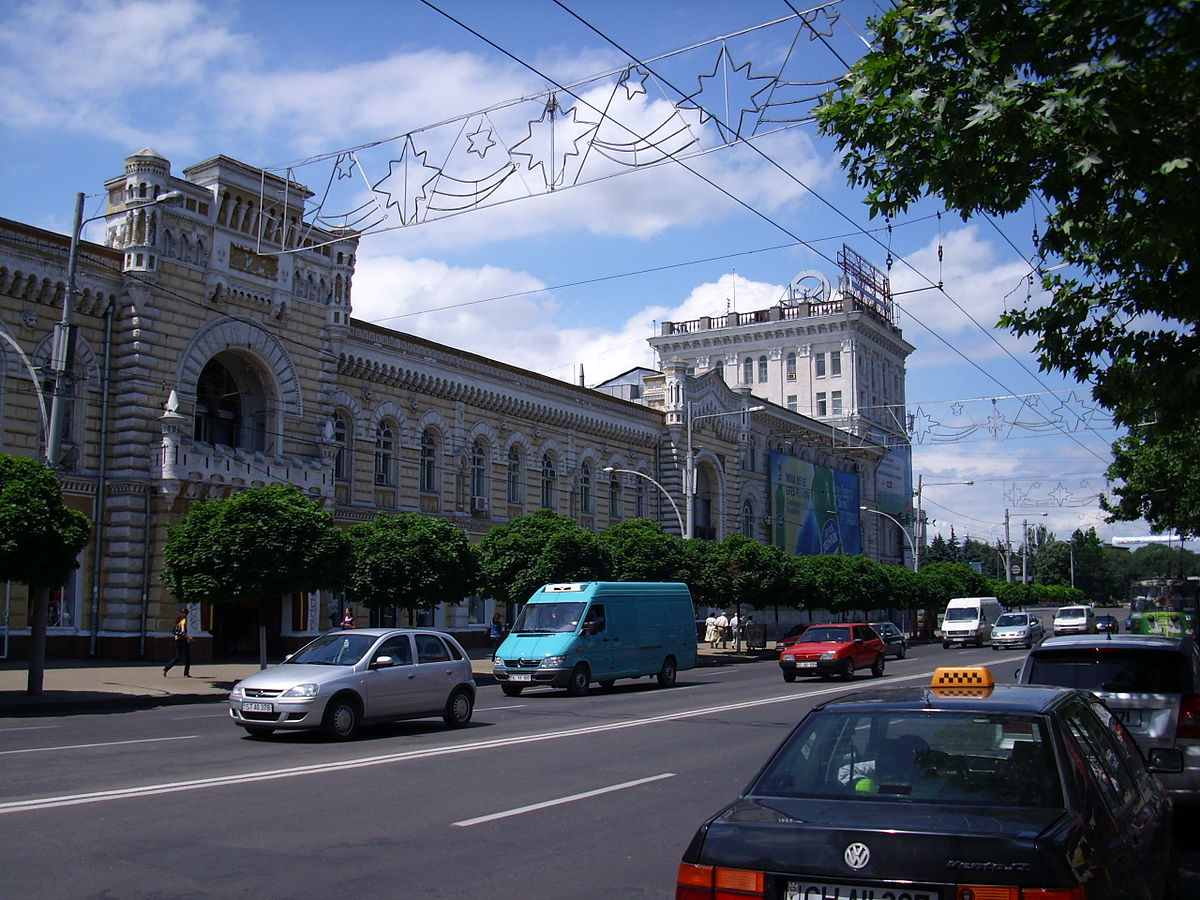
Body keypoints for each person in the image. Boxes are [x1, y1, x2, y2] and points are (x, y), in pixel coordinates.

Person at [163, 606, 191, 677]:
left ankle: (166, 668)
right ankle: (186, 673)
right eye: (185, 613)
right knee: (187, 657)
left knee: (177, 657)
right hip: (183, 640)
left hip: (177, 640)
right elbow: (183, 631)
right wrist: (188, 638)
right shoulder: (183, 621)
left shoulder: (178, 620)